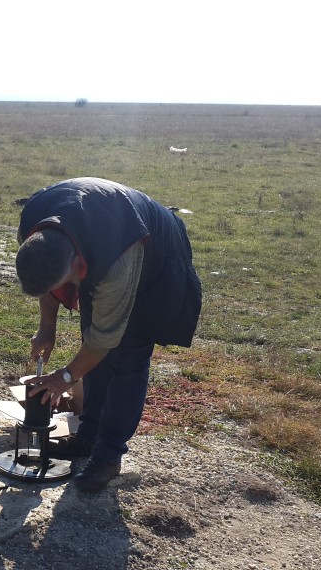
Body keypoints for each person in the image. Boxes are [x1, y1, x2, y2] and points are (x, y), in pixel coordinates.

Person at [17, 177, 202, 492]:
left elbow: (104, 338)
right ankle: (88, 436)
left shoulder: (115, 260)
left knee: (127, 355)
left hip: (154, 257)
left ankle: (108, 455)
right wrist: (47, 329)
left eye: (71, 280)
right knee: (94, 347)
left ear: (78, 264)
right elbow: (49, 280)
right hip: (99, 241)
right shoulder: (34, 228)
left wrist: (64, 378)